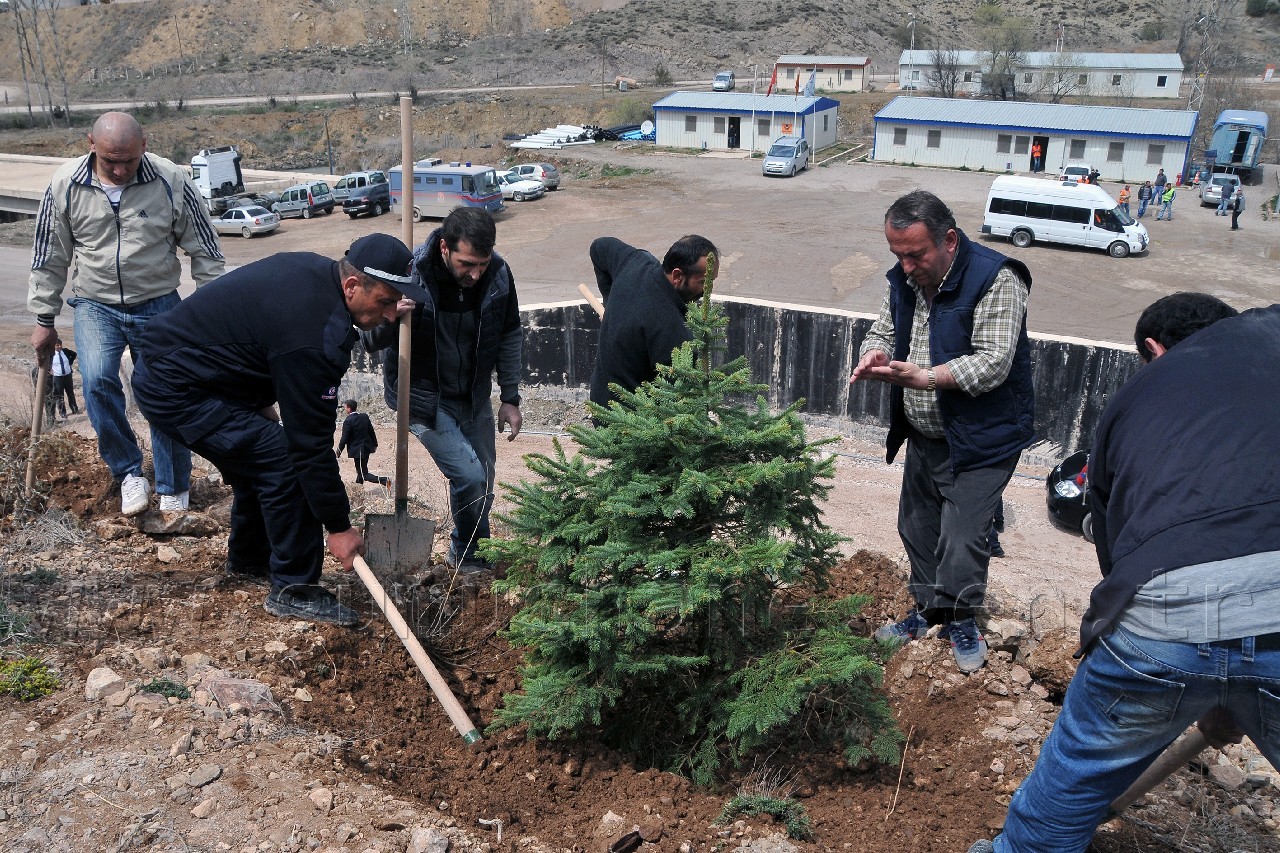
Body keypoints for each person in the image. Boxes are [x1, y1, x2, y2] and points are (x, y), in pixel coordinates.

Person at [966, 292, 1280, 853]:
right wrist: (1234, 692)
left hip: (1160, 623)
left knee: (1058, 807)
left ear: (1154, 351)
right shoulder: (1268, 340)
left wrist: (1211, 681)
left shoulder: (1135, 399)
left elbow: (1118, 559)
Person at [130, 234, 423, 626]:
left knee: (262, 456)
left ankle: (251, 559)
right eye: (385, 302)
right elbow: (310, 448)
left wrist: (257, 402)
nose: (389, 315)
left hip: (200, 375)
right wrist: (339, 527)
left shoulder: (316, 273)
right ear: (352, 286)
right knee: (285, 461)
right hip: (177, 387)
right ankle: (294, 589)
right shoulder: (316, 337)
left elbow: (255, 338)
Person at [851, 190, 1034, 674]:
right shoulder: (906, 278)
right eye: (897, 255)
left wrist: (927, 378)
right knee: (916, 527)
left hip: (981, 439)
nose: (906, 266)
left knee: (962, 538)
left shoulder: (998, 278)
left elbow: (993, 363)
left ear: (949, 240)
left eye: (915, 254)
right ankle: (930, 611)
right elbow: (884, 329)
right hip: (925, 434)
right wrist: (875, 352)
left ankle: (962, 619)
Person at [27, 111, 225, 517]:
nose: (119, 171)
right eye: (110, 161)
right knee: (98, 381)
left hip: (158, 301)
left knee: (167, 389)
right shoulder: (66, 184)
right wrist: (44, 318)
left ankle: (173, 485)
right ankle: (129, 473)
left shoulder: (171, 180)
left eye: (129, 161)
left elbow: (205, 249)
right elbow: (49, 255)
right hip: (95, 303)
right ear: (91, 145)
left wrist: (211, 310)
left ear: (144, 146)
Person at [363, 208, 523, 574]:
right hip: (422, 398)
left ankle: (468, 552)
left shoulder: (498, 275)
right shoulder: (410, 274)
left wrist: (510, 398)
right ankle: (468, 556)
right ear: (444, 248)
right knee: (470, 476)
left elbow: (510, 335)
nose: (475, 273)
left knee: (483, 483)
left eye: (482, 264)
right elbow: (369, 339)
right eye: (467, 264)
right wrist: (391, 315)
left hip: (474, 396)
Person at [587, 233, 719, 409]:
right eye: (702, 282)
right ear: (677, 276)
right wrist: (611, 305)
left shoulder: (636, 262)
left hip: (599, 400)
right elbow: (677, 404)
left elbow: (599, 246)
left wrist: (610, 304)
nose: (707, 290)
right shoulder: (672, 331)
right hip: (627, 419)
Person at [337, 400, 388, 487]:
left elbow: (344, 439)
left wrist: (338, 452)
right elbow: (371, 431)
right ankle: (358, 488)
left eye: (345, 407)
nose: (344, 409)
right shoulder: (364, 417)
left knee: (363, 474)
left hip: (358, 451)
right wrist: (375, 444)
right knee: (361, 470)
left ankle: (385, 480)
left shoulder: (348, 421)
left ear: (349, 408)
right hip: (367, 448)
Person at [49, 339, 78, 419]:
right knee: (59, 395)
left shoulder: (65, 351)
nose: (59, 346)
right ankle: (63, 412)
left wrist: (70, 362)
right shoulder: (51, 355)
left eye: (60, 345)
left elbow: (74, 354)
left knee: (70, 393)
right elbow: (47, 363)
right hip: (57, 378)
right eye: (57, 345)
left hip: (68, 376)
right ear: (53, 346)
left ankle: (74, 409)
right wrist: (50, 370)